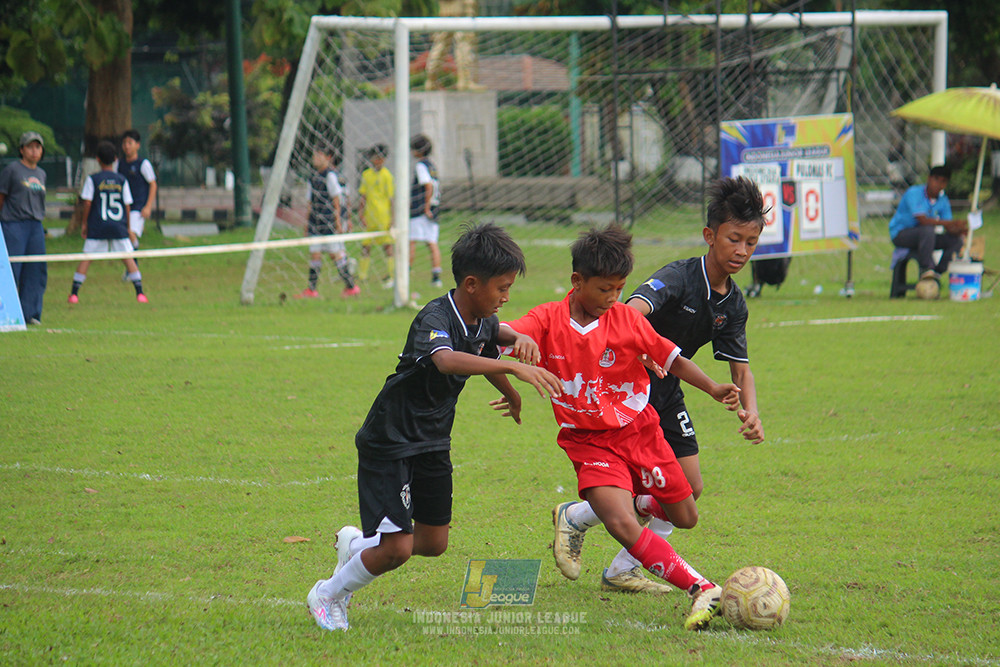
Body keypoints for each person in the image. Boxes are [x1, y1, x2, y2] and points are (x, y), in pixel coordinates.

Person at [306, 223, 563, 632]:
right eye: (502, 288)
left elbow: (492, 342)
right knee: (397, 549)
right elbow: (446, 359)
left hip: (432, 440)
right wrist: (512, 363)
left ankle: (354, 546)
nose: (507, 297)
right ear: (472, 284)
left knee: (432, 542)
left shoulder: (482, 318)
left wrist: (512, 382)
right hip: (391, 439)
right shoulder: (436, 315)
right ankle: (329, 592)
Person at [500, 226, 742, 631]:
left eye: (619, 289)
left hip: (640, 430)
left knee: (685, 516)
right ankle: (701, 587)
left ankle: (575, 516)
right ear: (577, 282)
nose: (613, 298)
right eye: (604, 290)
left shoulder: (627, 320)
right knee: (621, 523)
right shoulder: (548, 318)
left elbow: (673, 358)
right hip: (588, 441)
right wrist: (517, 344)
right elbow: (511, 330)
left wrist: (713, 387)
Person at [551, 177, 767, 596]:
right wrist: (640, 341)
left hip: (668, 390)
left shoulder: (733, 304)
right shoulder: (679, 276)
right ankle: (580, 518)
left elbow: (741, 369)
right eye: (734, 239)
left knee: (689, 491)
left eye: (751, 243)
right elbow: (633, 306)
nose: (741, 251)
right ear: (710, 236)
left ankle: (618, 565)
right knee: (629, 487)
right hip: (622, 393)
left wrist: (752, 411)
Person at [67, 141, 148, 304]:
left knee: (87, 258)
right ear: (116, 159)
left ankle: (74, 294)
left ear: (98, 159)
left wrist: (85, 224)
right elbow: (127, 204)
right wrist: (127, 226)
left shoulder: (93, 179)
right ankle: (140, 293)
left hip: (98, 226)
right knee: (128, 258)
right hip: (118, 227)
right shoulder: (121, 180)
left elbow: (87, 203)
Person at [295, 144, 359, 299]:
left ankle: (351, 286)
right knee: (315, 254)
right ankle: (311, 290)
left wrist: (339, 221)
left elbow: (338, 199)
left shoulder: (331, 176)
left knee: (335, 255)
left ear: (328, 157)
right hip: (315, 223)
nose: (315, 159)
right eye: (314, 155)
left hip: (329, 222)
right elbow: (310, 203)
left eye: (319, 155)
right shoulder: (313, 177)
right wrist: (306, 224)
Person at [0, 131, 48, 324]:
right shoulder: (12, 170)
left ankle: (31, 313)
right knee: (11, 269)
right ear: (22, 150)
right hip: (14, 224)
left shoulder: (41, 173)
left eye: (37, 147)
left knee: (36, 269)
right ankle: (6, 311)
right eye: (30, 147)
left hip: (35, 226)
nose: (34, 151)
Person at [889, 164, 967, 282]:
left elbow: (948, 225)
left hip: (926, 238)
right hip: (901, 234)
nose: (938, 184)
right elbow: (922, 220)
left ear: (946, 184)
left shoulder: (943, 200)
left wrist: (959, 229)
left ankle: (937, 272)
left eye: (943, 181)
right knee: (927, 229)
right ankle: (927, 269)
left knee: (955, 240)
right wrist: (950, 223)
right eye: (936, 179)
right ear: (929, 178)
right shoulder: (914, 193)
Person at [357, 144, 395, 288]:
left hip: (383, 217)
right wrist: (361, 214)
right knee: (366, 246)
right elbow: (363, 196)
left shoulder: (387, 176)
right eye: (374, 158)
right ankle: (362, 275)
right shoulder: (366, 174)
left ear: (384, 159)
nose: (376, 161)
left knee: (387, 247)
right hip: (370, 217)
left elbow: (391, 199)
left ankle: (391, 274)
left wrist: (392, 218)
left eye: (379, 158)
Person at [409, 134, 443, 288]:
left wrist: (426, 207)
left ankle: (405, 275)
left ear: (418, 150)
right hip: (434, 209)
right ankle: (436, 277)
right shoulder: (432, 166)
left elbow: (428, 186)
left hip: (420, 210)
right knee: (432, 243)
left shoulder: (421, 165)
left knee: (411, 242)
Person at [118, 129, 157, 254]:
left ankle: (134, 261)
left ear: (138, 145)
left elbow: (153, 184)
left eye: (130, 142)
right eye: (124, 143)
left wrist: (148, 206)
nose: (127, 146)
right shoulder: (119, 164)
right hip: (123, 207)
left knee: (131, 233)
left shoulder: (143, 164)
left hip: (138, 207)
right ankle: (133, 267)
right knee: (123, 236)